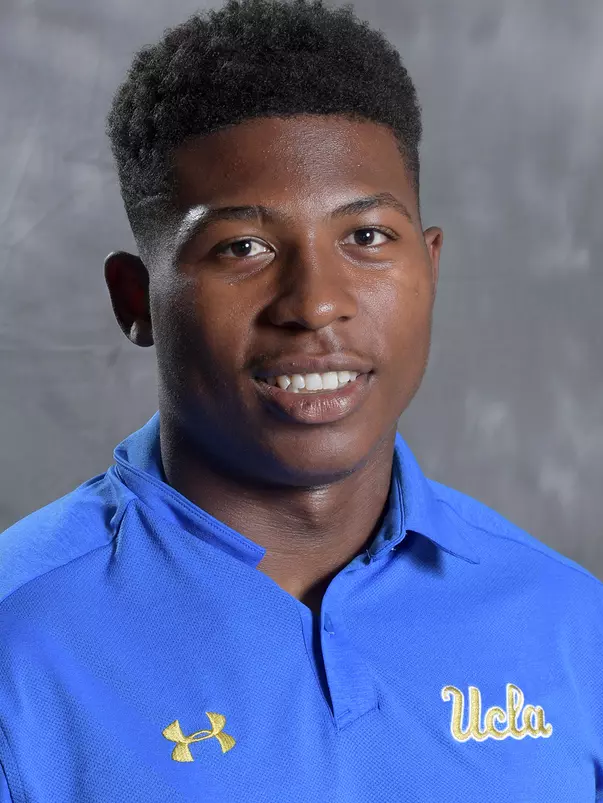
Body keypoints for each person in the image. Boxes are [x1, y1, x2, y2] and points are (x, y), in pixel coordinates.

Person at [1, 0, 602, 799]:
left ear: (429, 270)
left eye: (366, 237)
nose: (315, 303)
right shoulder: (20, 638)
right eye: (241, 247)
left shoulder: (570, 621)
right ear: (136, 298)